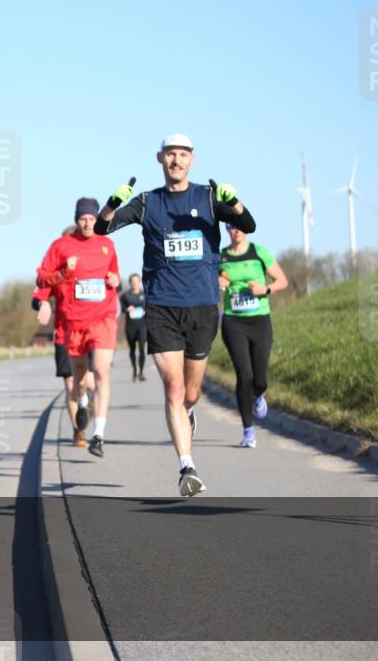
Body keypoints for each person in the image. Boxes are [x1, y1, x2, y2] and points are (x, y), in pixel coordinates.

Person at [95, 134, 256, 496]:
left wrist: (236, 203)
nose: (177, 161)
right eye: (171, 155)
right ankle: (187, 466)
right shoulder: (147, 201)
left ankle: (188, 413)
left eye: (183, 155)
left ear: (192, 160)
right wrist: (110, 205)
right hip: (162, 307)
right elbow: (105, 229)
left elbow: (249, 227)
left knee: (192, 392)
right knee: (174, 387)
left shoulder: (209, 198)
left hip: (201, 306)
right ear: (160, 158)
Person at [37, 198, 120, 458]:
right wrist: (63, 273)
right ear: (76, 219)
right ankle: (83, 402)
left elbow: (115, 275)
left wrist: (115, 279)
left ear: (97, 219)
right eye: (83, 219)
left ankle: (99, 434)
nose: (87, 223)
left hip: (103, 318)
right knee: (79, 379)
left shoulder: (107, 245)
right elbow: (41, 277)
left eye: (92, 219)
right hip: (72, 323)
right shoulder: (61, 246)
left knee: (101, 372)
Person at [218, 225, 288, 448]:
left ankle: (258, 396)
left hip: (259, 321)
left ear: (246, 229)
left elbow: (282, 281)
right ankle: (248, 432)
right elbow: (213, 281)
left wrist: (264, 290)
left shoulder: (259, 252)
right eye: (230, 226)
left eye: (239, 226)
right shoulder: (222, 256)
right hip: (233, 321)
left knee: (260, 379)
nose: (235, 230)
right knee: (244, 375)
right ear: (227, 229)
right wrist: (219, 282)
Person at [32, 225, 95, 447]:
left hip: (91, 334)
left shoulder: (93, 266)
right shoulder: (57, 273)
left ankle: (88, 402)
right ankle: (79, 431)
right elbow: (39, 294)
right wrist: (42, 304)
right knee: (70, 386)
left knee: (89, 382)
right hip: (63, 335)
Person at [119, 273, 148, 381]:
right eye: (132, 281)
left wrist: (146, 310)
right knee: (132, 349)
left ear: (139, 282)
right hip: (130, 325)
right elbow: (121, 309)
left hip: (142, 325)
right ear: (130, 282)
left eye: (136, 281)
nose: (134, 283)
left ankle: (141, 372)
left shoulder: (144, 294)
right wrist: (127, 309)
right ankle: (134, 370)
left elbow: (150, 307)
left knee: (141, 348)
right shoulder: (125, 296)